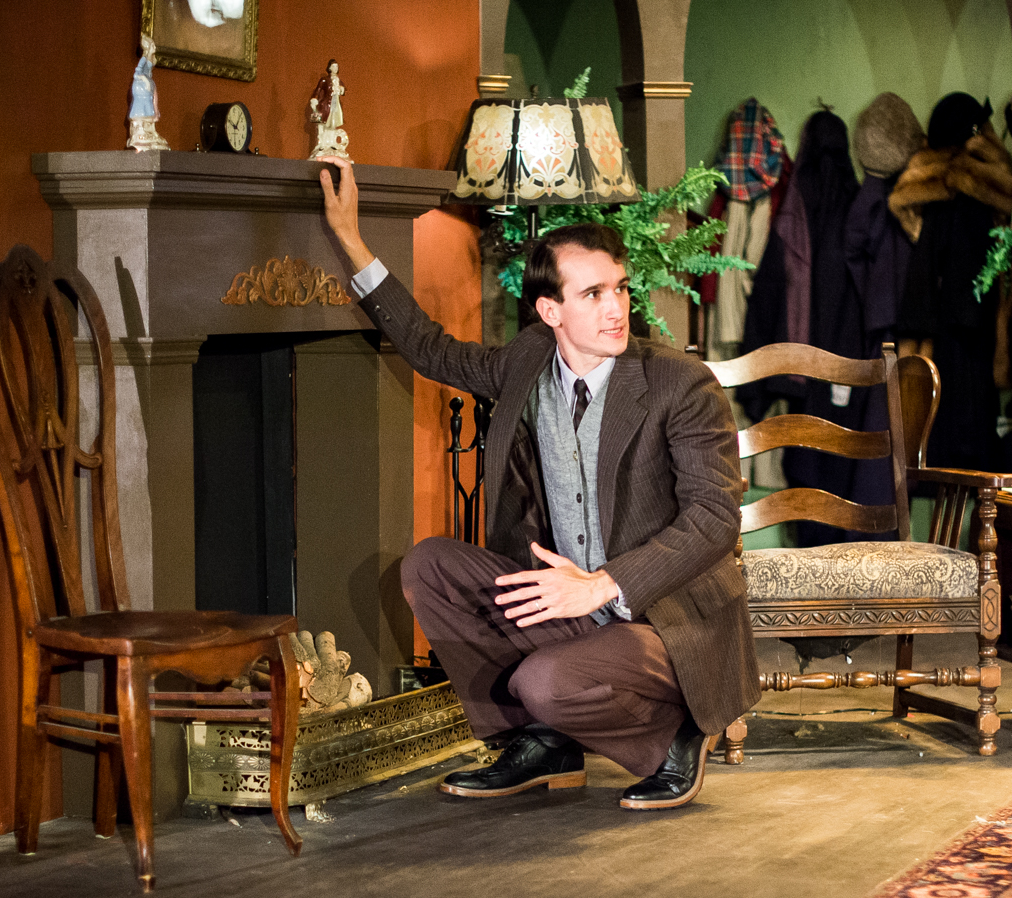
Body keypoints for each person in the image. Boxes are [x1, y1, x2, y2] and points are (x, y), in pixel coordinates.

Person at [318, 157, 760, 810]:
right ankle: (541, 743)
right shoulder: (527, 361)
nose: (617, 308)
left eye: (620, 289)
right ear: (550, 309)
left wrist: (603, 584)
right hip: (571, 611)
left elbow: (715, 518)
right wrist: (350, 239)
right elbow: (431, 349)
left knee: (544, 681)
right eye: (593, 294)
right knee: (430, 567)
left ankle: (675, 736)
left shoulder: (678, 384)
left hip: (665, 623)